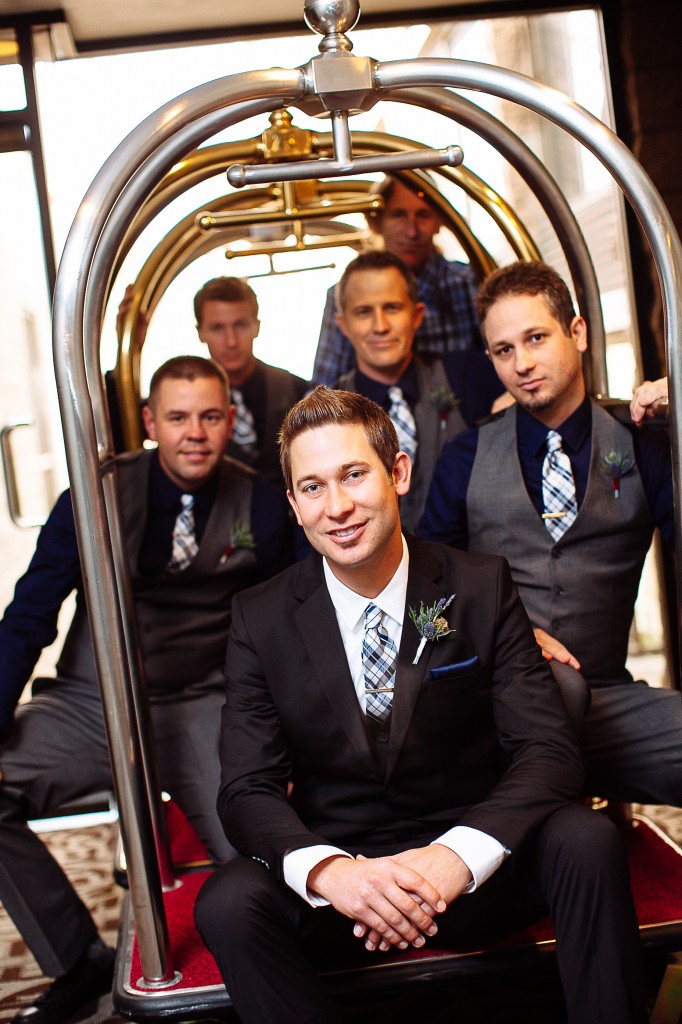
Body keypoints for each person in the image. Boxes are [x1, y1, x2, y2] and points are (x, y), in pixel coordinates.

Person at [194, 386, 647, 1024]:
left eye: (354, 475)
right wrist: (334, 875)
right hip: (347, 884)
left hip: (473, 868)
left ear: (398, 473)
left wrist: (454, 857)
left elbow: (547, 750)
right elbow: (246, 789)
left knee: (585, 840)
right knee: (227, 902)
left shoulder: (480, 584)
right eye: (314, 487)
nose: (339, 507)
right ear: (295, 505)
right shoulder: (259, 616)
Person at [0, 356, 295, 1024]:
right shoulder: (91, 493)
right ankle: (77, 958)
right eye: (179, 417)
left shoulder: (260, 500)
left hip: (203, 699)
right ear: (149, 422)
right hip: (93, 698)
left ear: (230, 420)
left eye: (211, 417)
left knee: (256, 853)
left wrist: (285, 733)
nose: (196, 433)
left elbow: (293, 622)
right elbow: (30, 616)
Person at [419, 260, 678, 805]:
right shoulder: (463, 457)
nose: (523, 363)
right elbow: (422, 590)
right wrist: (502, 630)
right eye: (504, 350)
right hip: (491, 703)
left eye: (536, 338)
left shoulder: (641, 444)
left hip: (605, 699)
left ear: (577, 333)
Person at [333, 250, 504, 530]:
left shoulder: (469, 376)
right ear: (343, 325)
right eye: (364, 312)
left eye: (392, 308)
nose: (380, 326)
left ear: (417, 315)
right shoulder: (328, 411)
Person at [313, 176, 483, 385]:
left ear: (440, 222)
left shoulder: (469, 283)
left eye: (423, 215)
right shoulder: (343, 293)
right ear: (376, 222)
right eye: (399, 215)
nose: (412, 231)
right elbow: (325, 385)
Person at [193, 276, 309, 485]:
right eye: (217, 328)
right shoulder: (185, 399)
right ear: (200, 332)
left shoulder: (296, 389)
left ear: (257, 327)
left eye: (240, 325)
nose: (231, 341)